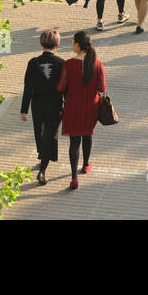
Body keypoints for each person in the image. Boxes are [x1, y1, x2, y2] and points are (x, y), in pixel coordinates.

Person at [55, 30, 105, 190]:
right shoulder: (97, 64)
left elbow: (61, 87)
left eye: (72, 42)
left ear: (78, 44)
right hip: (91, 107)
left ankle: (74, 178)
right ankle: (85, 165)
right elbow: (102, 88)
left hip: (73, 107)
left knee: (74, 141)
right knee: (88, 135)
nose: (71, 44)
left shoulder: (69, 64)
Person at [21, 30, 65, 185]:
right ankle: (43, 169)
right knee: (50, 135)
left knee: (39, 133)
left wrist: (24, 109)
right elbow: (66, 87)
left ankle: (42, 156)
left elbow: (28, 87)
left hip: (37, 104)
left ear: (41, 44)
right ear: (57, 45)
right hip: (54, 104)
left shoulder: (33, 62)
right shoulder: (61, 63)